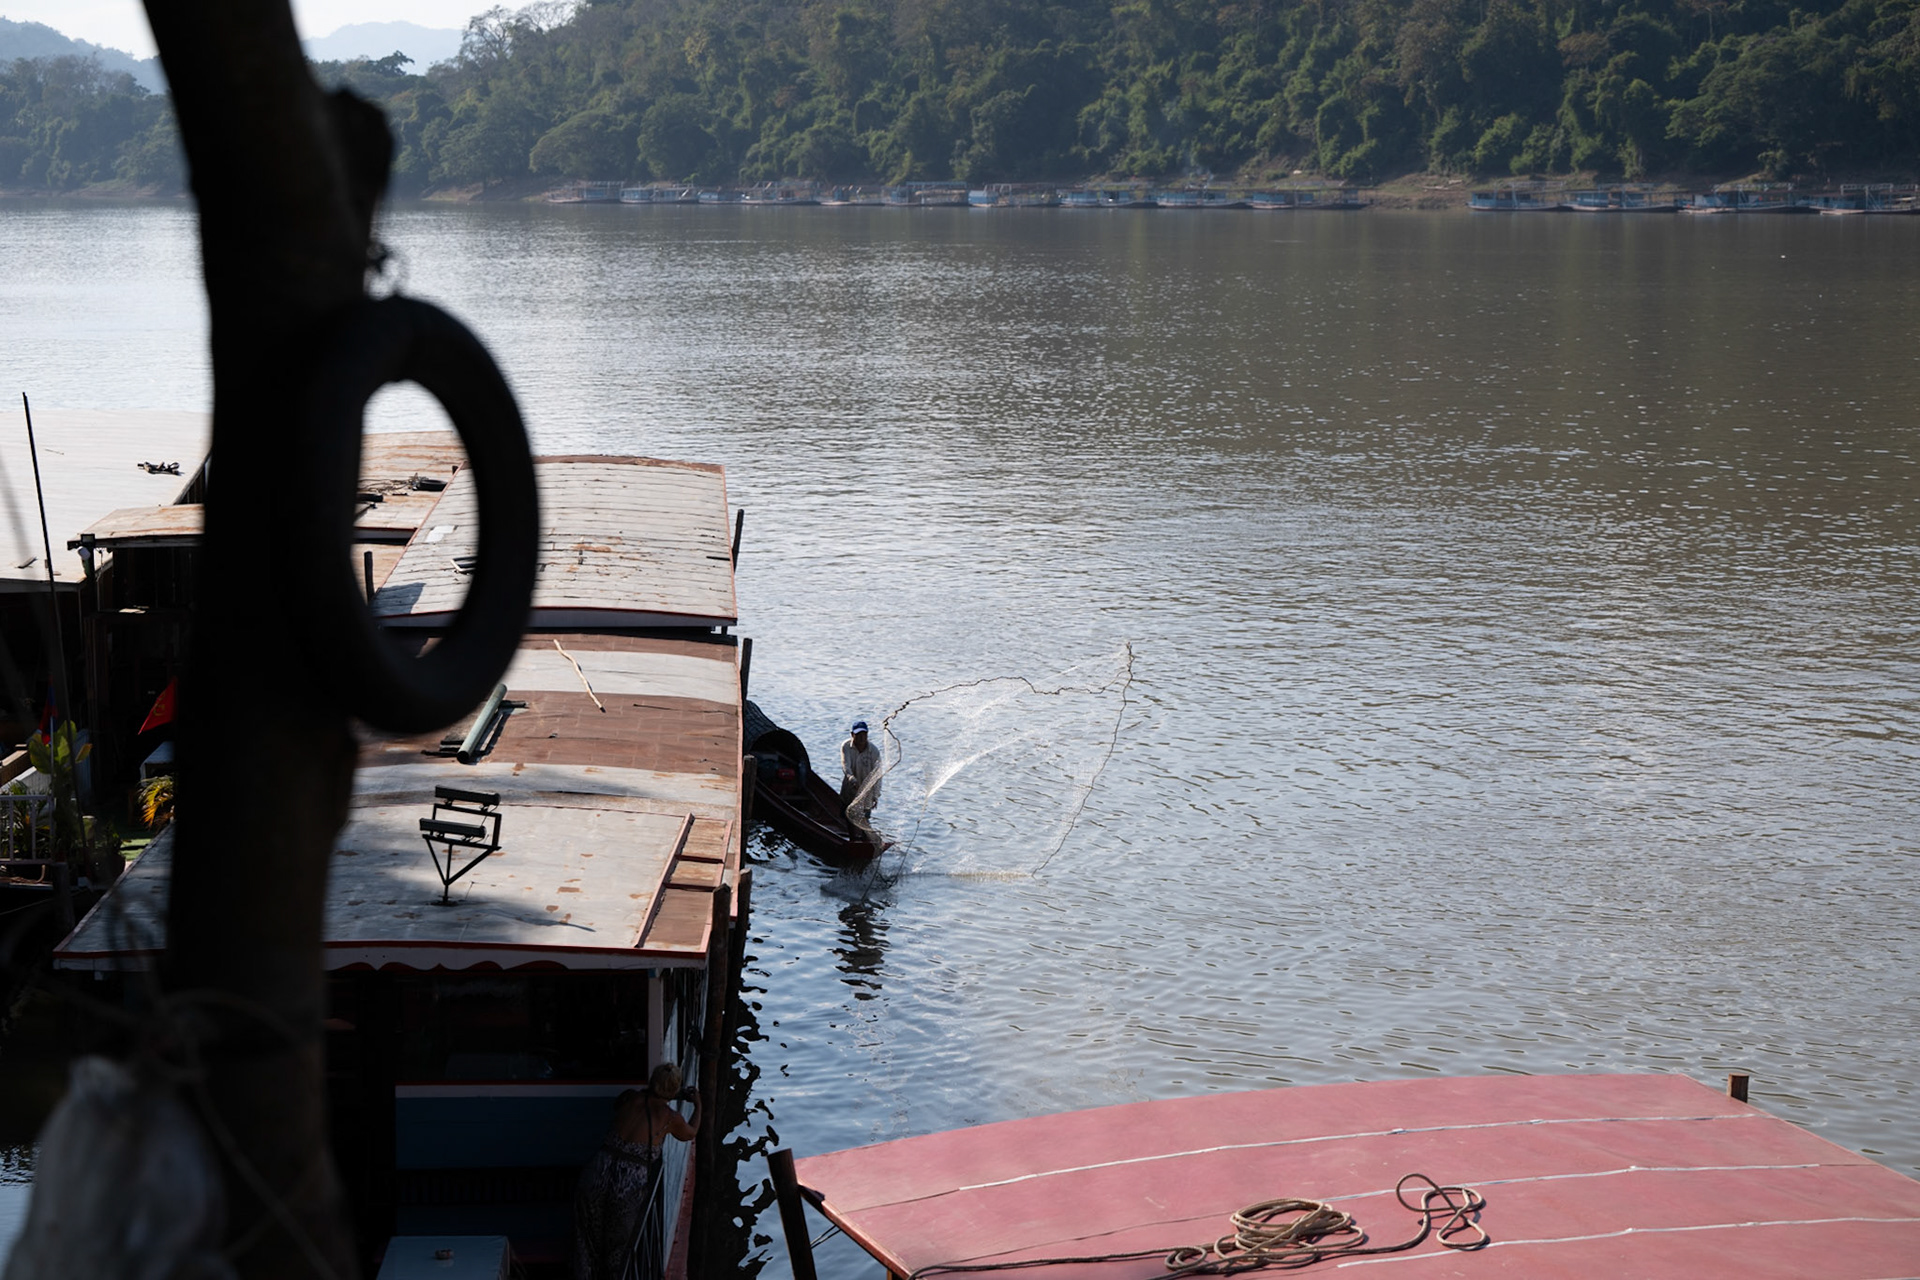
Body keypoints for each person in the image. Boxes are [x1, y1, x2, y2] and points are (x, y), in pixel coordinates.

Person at [571, 1063, 701, 1280]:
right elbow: (691, 1133)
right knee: (618, 1248)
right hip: (627, 1184)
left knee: (586, 1241)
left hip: (599, 1169)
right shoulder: (669, 1117)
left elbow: (627, 1104)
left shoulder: (630, 1098)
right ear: (674, 1089)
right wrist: (698, 1104)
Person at [840, 719, 882, 830]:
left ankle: (862, 837)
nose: (862, 738)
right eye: (858, 735)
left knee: (864, 821)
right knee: (846, 818)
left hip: (866, 793)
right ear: (852, 735)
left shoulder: (874, 751)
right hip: (849, 789)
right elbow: (846, 765)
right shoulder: (846, 746)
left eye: (864, 734)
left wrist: (876, 795)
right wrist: (851, 778)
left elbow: (877, 775)